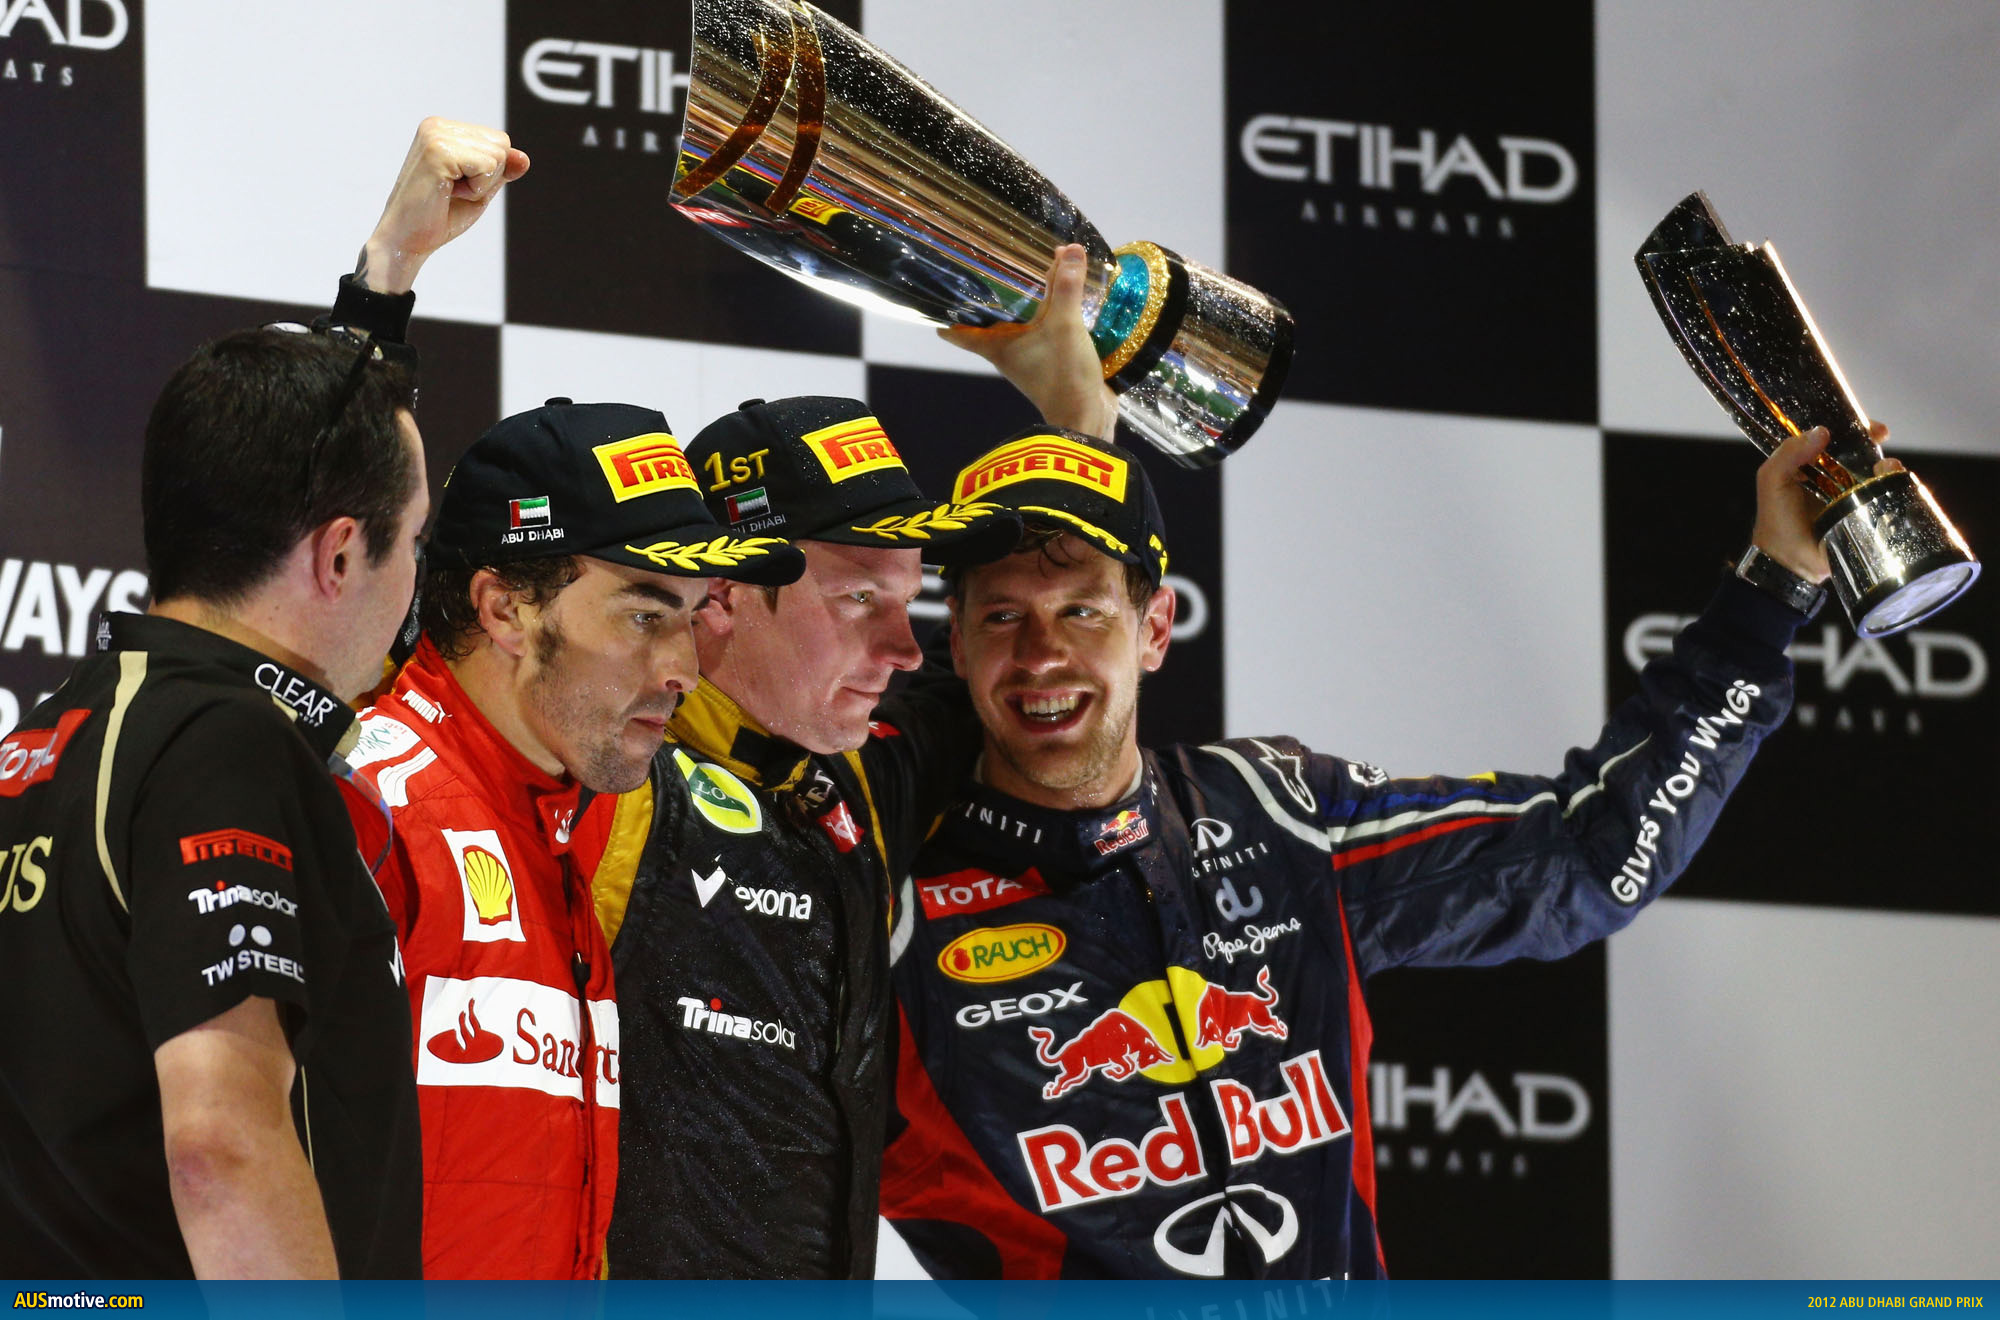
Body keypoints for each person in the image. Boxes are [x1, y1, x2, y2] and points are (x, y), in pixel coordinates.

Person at [877, 407, 1872, 1277]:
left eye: (1082, 612)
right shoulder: (886, 901)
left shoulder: (1271, 814)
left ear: (1155, 628)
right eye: (1001, 617)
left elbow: (1588, 856)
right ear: (954, 642)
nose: (1041, 654)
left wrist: (1772, 588)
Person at [330, 120, 810, 1280]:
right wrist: (386, 274)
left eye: (690, 614)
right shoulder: (364, 795)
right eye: (643, 613)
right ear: (503, 608)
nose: (683, 666)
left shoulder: (580, 811)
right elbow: (316, 548)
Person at [0, 321, 428, 1276]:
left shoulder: (48, 737)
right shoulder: (223, 741)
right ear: (341, 555)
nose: (416, 584)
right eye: (415, 541)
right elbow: (219, 1146)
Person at [590, 393, 1023, 1278]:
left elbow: (986, 674)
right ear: (722, 594)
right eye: (859, 598)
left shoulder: (852, 781)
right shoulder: (601, 784)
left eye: (908, 599)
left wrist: (1078, 413)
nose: (905, 647)